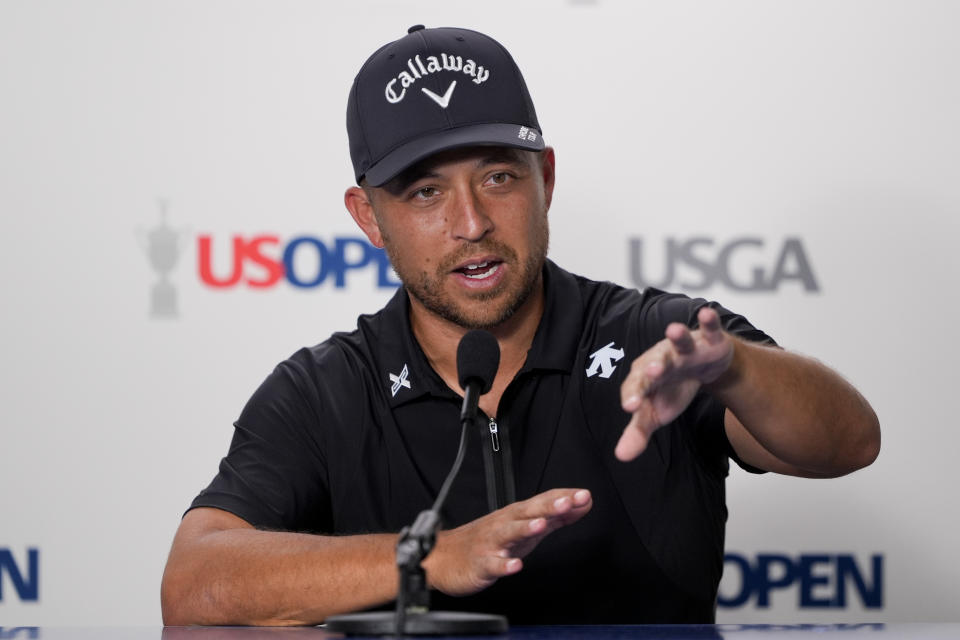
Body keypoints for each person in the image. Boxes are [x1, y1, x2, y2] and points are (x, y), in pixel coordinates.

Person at [160, 25, 880, 626]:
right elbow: (194, 581)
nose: (471, 223)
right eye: (425, 192)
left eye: (499, 176)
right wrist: (429, 555)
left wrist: (738, 371)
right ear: (368, 218)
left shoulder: (661, 340)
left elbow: (850, 443)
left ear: (548, 180)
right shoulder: (324, 390)